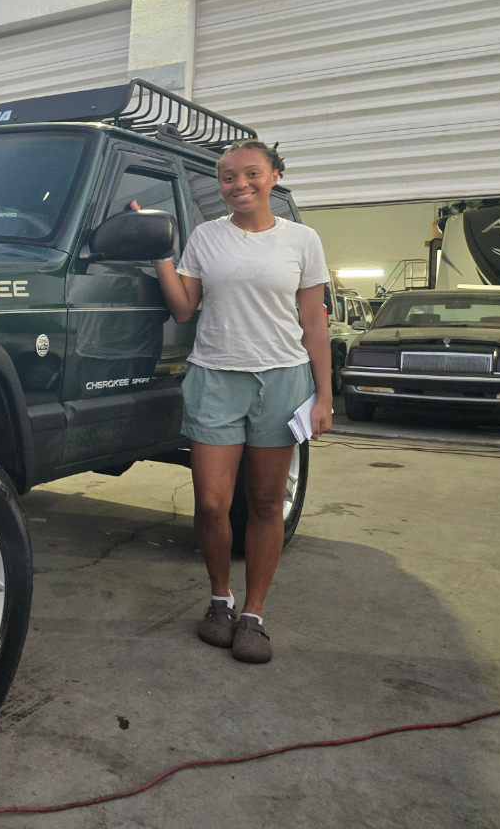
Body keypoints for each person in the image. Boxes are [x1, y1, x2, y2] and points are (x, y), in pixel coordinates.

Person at [150, 139, 331, 664]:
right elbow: (184, 309)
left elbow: (313, 320)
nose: (239, 184)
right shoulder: (207, 237)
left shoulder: (302, 239)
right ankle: (219, 600)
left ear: (273, 175)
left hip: (282, 381)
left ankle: (253, 614)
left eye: (251, 174)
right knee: (210, 502)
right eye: (228, 178)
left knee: (266, 503)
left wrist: (324, 395)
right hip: (214, 379)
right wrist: (160, 249)